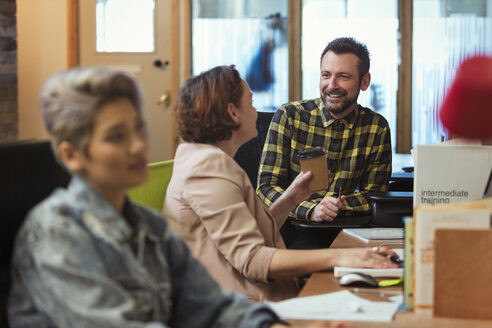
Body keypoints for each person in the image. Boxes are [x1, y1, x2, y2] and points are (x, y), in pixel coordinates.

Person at [9, 66, 297, 328]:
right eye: (116, 136)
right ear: (72, 156)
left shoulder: (151, 227)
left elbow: (212, 305)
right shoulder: (57, 233)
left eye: (138, 127)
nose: (137, 145)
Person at [164, 65, 399, 303]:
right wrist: (342, 257)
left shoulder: (210, 161)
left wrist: (292, 198)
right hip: (235, 306)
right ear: (233, 113)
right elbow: (253, 259)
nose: (256, 112)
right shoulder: (207, 170)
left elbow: (253, 234)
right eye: (251, 103)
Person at [256, 37, 392, 249]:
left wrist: (336, 206)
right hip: (293, 227)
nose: (332, 85)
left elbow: (375, 194)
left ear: (364, 82)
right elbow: (266, 187)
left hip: (346, 227)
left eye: (343, 76)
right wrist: (311, 209)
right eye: (326, 75)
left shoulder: (376, 127)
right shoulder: (290, 116)